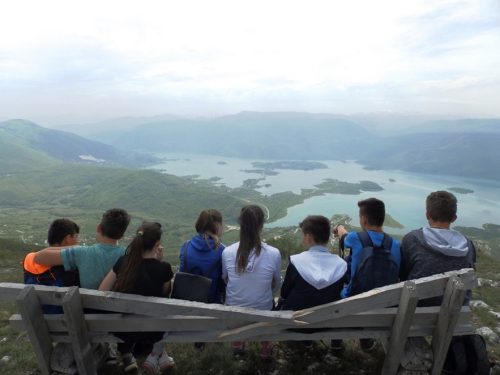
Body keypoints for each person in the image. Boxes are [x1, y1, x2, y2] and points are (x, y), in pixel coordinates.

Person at [99, 222, 175, 374]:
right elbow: (165, 293)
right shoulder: (164, 268)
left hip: (123, 328)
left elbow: (102, 291)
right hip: (153, 330)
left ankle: (129, 354)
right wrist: (158, 262)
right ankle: (158, 356)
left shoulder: (123, 262)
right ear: (158, 243)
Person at [333, 198, 401, 351]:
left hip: (354, 301)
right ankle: (366, 341)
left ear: (363, 219)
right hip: (383, 305)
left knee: (337, 286)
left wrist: (339, 227)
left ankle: (336, 344)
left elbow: (344, 237)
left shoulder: (356, 238)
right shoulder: (395, 244)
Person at [222, 205, 281, 360]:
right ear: (261, 225)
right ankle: (265, 346)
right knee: (267, 302)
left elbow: (225, 278)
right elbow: (276, 284)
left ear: (241, 224)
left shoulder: (227, 252)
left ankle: (238, 341)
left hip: (234, 311)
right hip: (263, 310)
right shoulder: (273, 254)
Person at [278, 215, 347, 350]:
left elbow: (285, 292)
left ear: (308, 237)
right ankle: (336, 345)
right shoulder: (342, 265)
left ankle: (305, 342)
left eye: (303, 235)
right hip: (330, 323)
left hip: (298, 324)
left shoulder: (296, 261)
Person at [399, 191, 476, 307]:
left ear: (427, 215)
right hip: (453, 319)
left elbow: (402, 275)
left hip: (414, 314)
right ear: (454, 218)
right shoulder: (468, 246)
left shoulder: (412, 239)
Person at [33, 208, 131, 290]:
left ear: (99, 228)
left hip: (89, 312)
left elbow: (39, 257)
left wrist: (75, 247)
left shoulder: (83, 252)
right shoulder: (130, 255)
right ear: (122, 235)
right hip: (119, 311)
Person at [23, 219, 81, 313]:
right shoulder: (72, 265)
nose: (77, 241)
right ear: (68, 239)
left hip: (36, 322)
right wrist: (78, 249)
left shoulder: (29, 259)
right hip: (68, 322)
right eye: (76, 237)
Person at [179, 209, 225, 304]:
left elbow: (182, 271)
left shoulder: (186, 246)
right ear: (218, 225)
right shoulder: (222, 251)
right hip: (211, 306)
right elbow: (223, 284)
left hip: (185, 302)